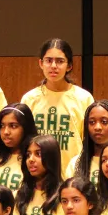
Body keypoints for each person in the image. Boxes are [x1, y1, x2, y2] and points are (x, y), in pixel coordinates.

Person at [21, 38, 95, 170]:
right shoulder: (29, 99)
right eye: (48, 60)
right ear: (41, 63)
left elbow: (90, 140)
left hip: (72, 171)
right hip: (39, 172)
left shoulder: (84, 98)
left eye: (60, 61)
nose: (53, 66)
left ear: (70, 66)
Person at [15, 134, 65, 215]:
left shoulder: (64, 197)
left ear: (51, 158)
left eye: (38, 154)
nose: (31, 159)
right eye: (28, 155)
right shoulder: (16, 196)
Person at [0, 103, 34, 191]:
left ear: (26, 128)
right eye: (2, 126)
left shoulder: (34, 162)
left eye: (13, 126)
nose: (6, 132)